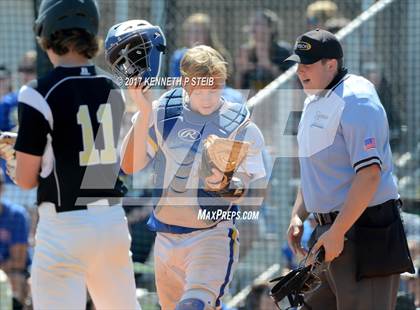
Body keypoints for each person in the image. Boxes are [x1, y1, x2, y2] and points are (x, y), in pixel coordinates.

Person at [7, 0, 140, 308]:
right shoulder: (111, 86)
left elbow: (26, 180)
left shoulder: (37, 92)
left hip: (64, 227)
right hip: (111, 222)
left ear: (45, 32)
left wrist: (13, 157)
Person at [121, 45, 266, 309]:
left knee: (193, 306)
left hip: (210, 238)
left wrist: (223, 185)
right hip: (164, 239)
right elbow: (130, 165)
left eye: (216, 88)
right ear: (186, 84)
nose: (210, 97)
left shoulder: (240, 125)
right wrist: (143, 112)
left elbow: (248, 191)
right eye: (201, 89)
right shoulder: (164, 113)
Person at [285, 29, 414, 309]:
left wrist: (338, 231)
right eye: (298, 63)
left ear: (330, 64)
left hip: (365, 231)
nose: (300, 71)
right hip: (329, 234)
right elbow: (313, 170)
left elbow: (369, 174)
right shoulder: (314, 100)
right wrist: (298, 214)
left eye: (307, 64)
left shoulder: (356, 98)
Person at [169, 13, 243, 103]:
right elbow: (175, 84)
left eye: (199, 32)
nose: (195, 36)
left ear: (208, 34)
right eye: (191, 32)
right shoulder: (179, 56)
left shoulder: (218, 54)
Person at [235, 9, 292, 96]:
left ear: (271, 28)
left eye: (258, 24)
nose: (253, 27)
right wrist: (241, 72)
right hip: (251, 104)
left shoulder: (284, 51)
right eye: (252, 24)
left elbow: (291, 83)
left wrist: (269, 66)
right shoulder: (245, 52)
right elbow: (237, 91)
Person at [0, 170, 30, 308]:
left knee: (15, 280)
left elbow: (18, 262)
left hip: (11, 272)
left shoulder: (16, 215)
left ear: (2, 188)